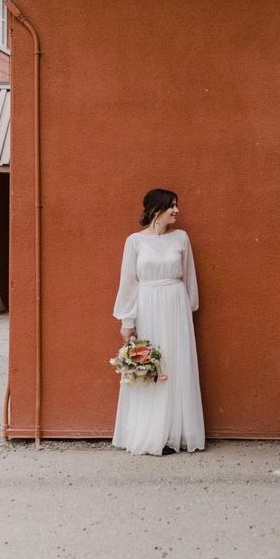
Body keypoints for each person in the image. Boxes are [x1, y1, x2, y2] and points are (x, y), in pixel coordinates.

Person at [111, 188, 205, 455]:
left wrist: (187, 309)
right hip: (147, 306)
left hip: (175, 306)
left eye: (176, 205)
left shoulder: (181, 238)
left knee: (176, 364)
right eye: (171, 206)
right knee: (150, 366)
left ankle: (176, 432)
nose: (177, 211)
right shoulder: (135, 242)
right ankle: (151, 431)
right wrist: (127, 320)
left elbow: (189, 278)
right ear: (156, 209)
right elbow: (129, 282)